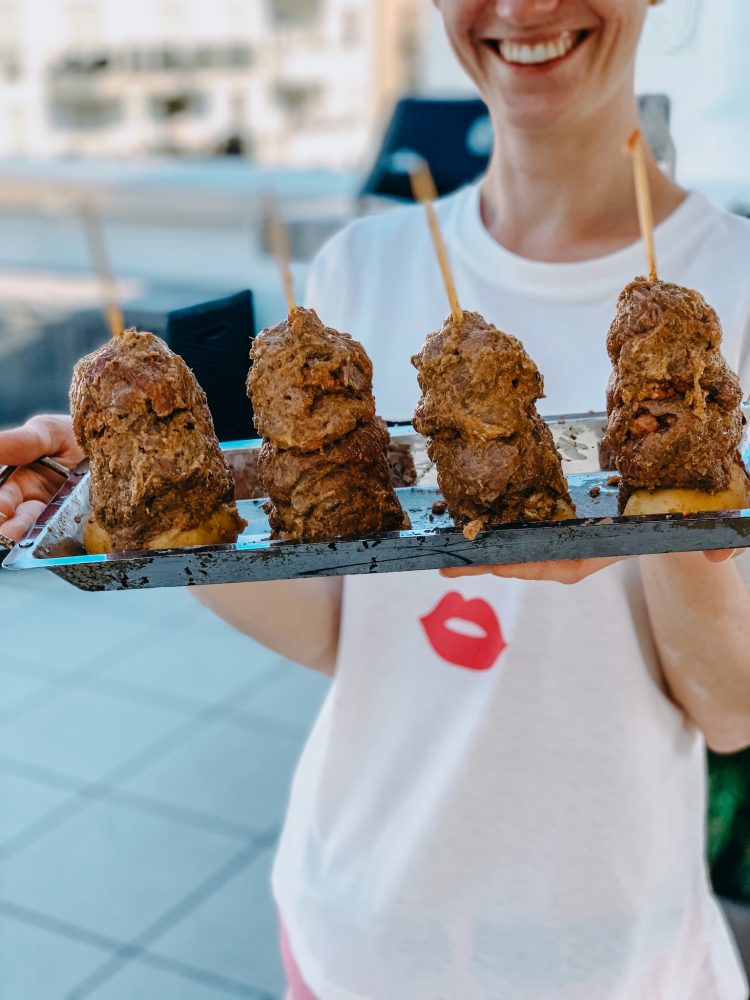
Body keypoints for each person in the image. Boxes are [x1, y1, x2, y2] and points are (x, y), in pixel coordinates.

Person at [2, 1, 750, 996]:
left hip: (612, 947)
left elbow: (731, 709)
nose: (524, 8)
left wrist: (675, 518)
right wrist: (139, 495)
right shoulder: (359, 267)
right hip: (354, 916)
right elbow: (334, 625)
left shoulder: (737, 287)